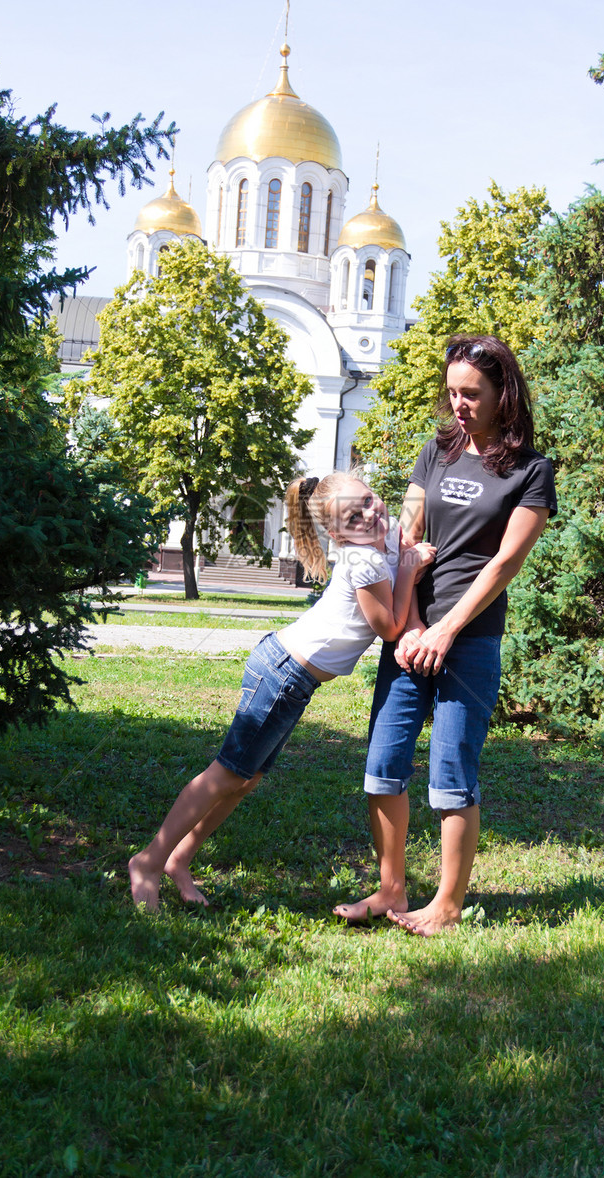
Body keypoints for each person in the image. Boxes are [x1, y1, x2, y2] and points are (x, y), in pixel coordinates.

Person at [128, 471, 435, 910]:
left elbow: (413, 514)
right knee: (227, 773)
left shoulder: (383, 539)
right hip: (283, 672)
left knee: (244, 779)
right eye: (355, 515)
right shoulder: (360, 560)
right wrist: (408, 571)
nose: (371, 513)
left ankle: (179, 859)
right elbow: (388, 628)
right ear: (336, 534)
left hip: (293, 677)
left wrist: (411, 530)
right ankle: (149, 860)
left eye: (369, 500)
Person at [334, 334, 557, 936]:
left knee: (451, 773)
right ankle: (390, 890)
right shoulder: (436, 452)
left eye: (472, 393)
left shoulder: (531, 472)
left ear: (502, 393)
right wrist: (410, 627)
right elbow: (406, 539)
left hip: (471, 639)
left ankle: (448, 905)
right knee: (382, 766)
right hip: (410, 635)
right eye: (453, 392)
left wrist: (446, 631)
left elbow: (506, 562)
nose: (459, 404)